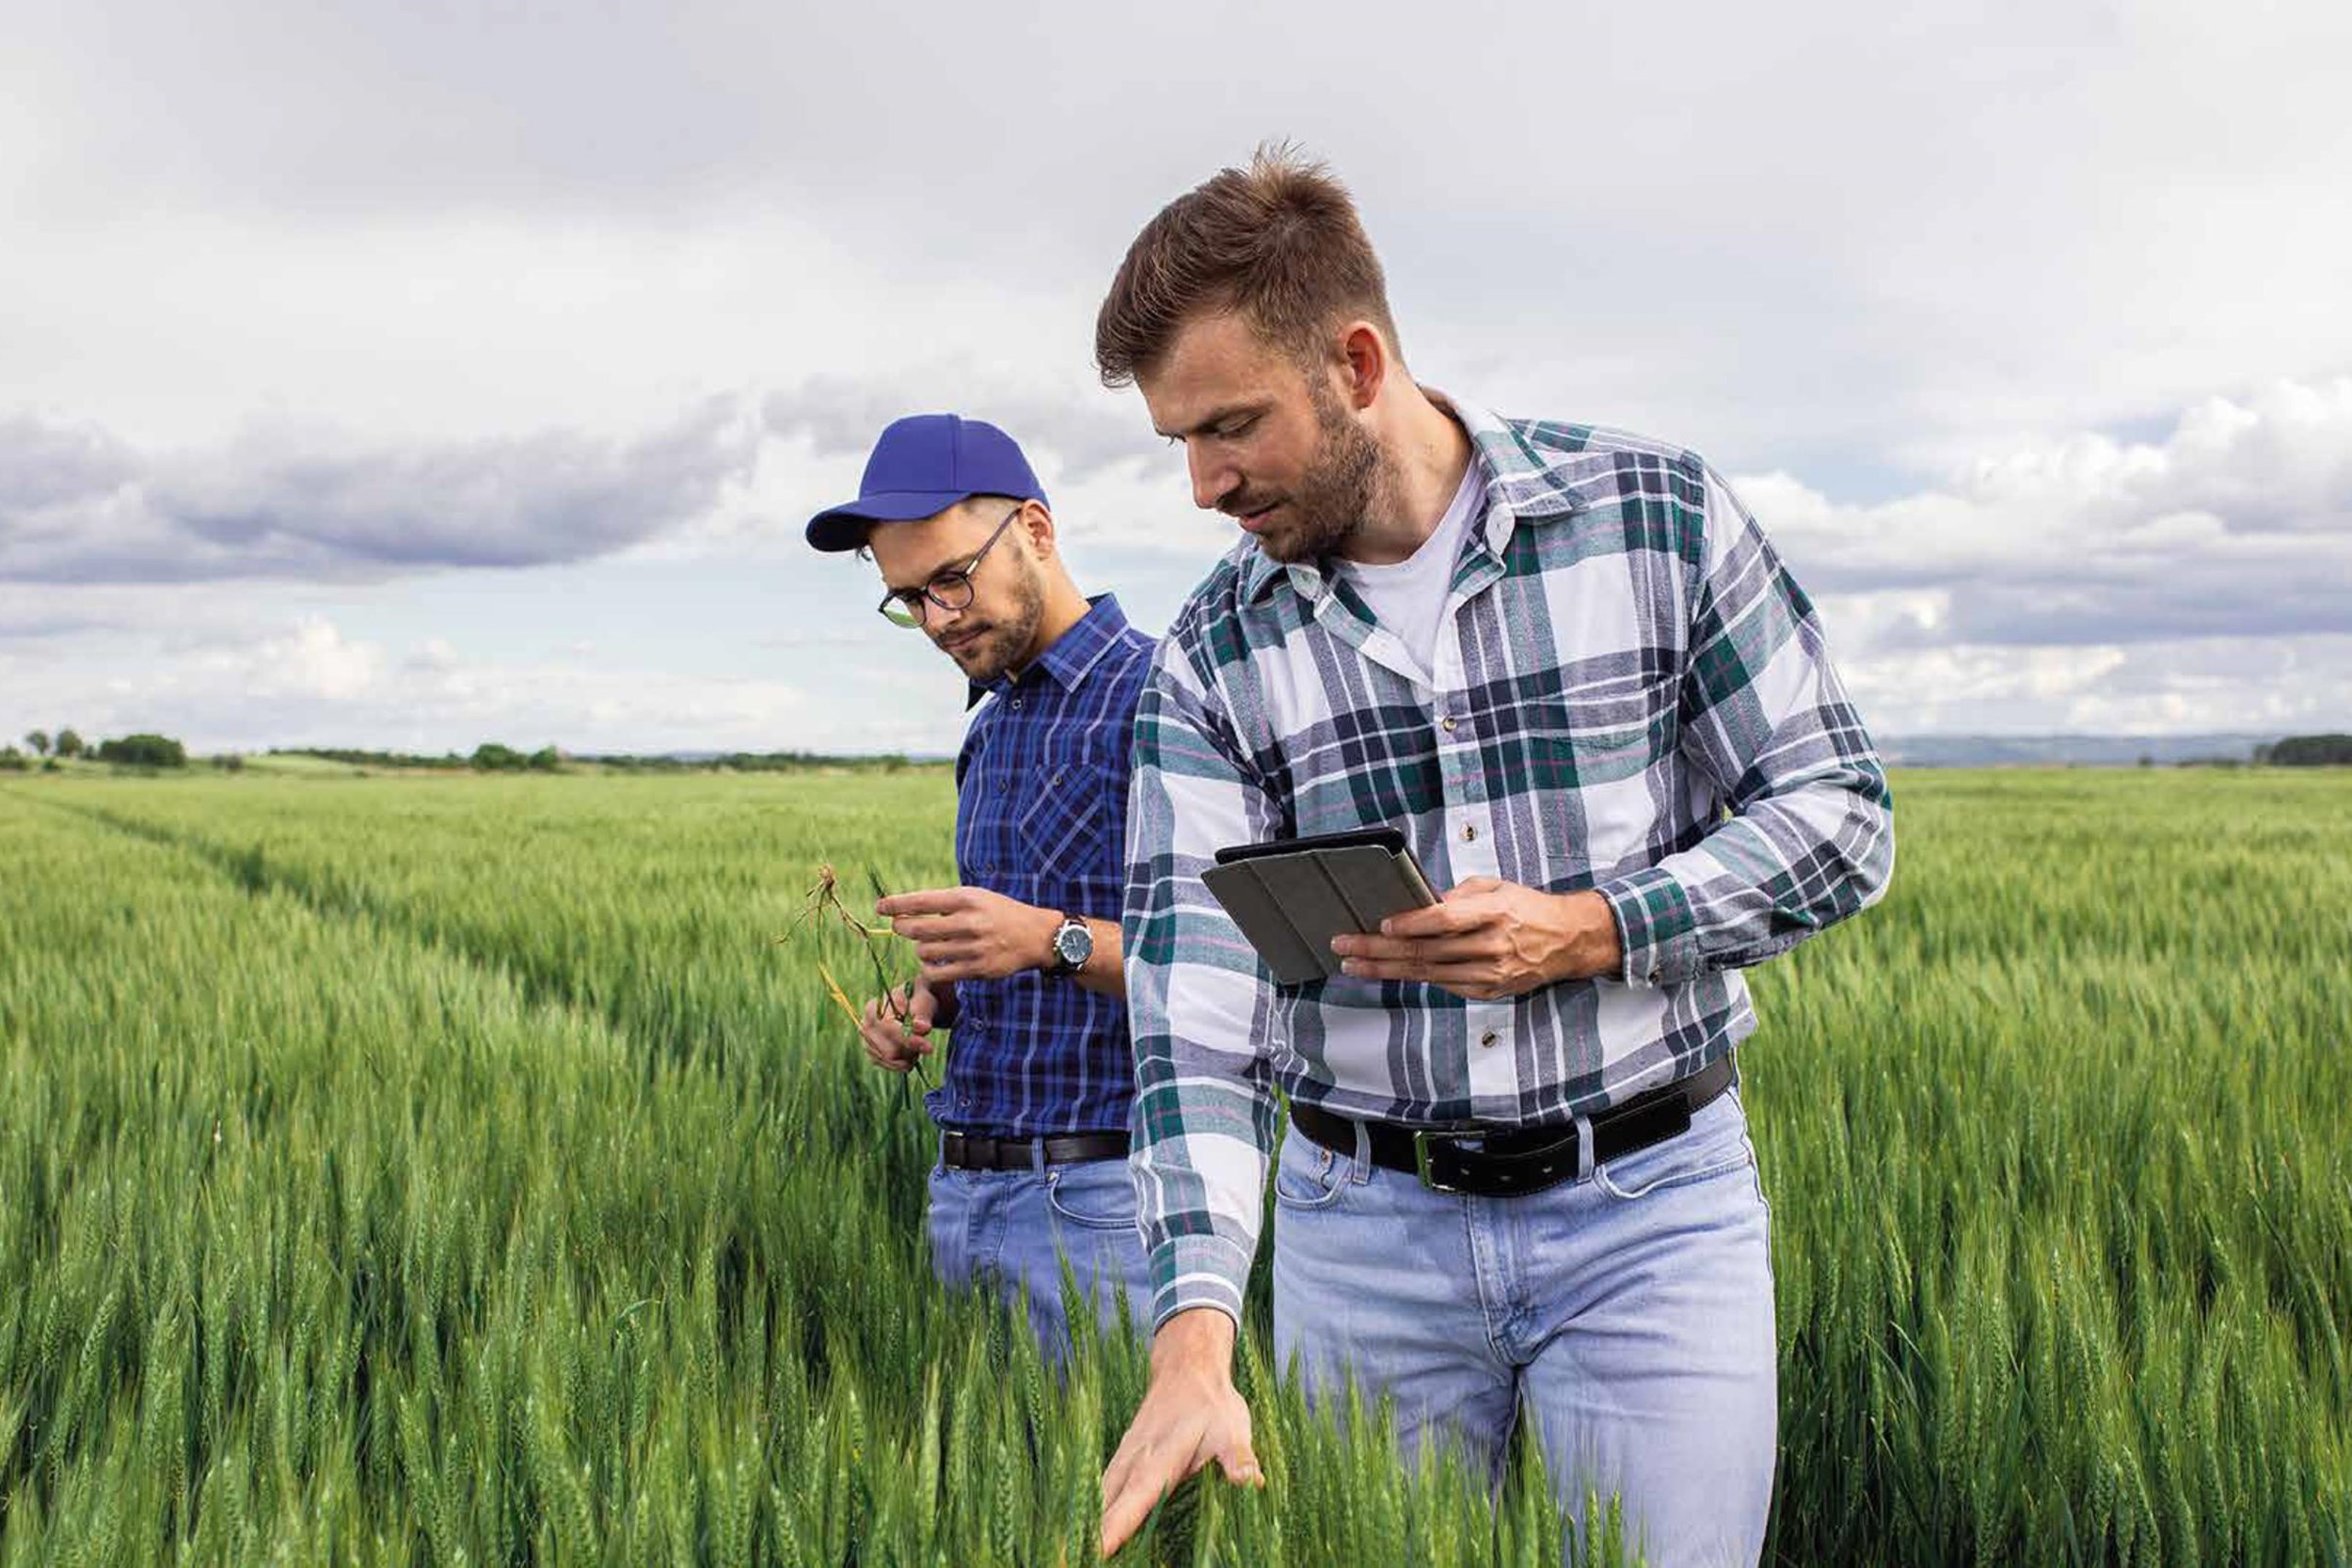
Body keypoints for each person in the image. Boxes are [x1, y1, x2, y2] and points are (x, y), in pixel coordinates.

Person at [1091, 150, 1896, 1564]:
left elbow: (1841, 812)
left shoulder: (1656, 516)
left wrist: (1597, 924)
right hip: (1359, 1235)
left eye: (1230, 426)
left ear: (1355, 360)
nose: (1206, 484)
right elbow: (1192, 1013)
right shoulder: (1214, 651)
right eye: (1180, 445)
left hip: (1653, 1211)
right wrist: (1194, 1331)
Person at [805, 412, 1157, 1365]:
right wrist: (937, 996)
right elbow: (1013, 950)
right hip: (963, 1190)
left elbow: (1234, 960)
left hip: (1103, 1201)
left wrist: (1049, 939)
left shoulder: (1159, 699)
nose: (936, 619)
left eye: (951, 578)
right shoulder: (989, 728)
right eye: (908, 598)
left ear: (1036, 531)